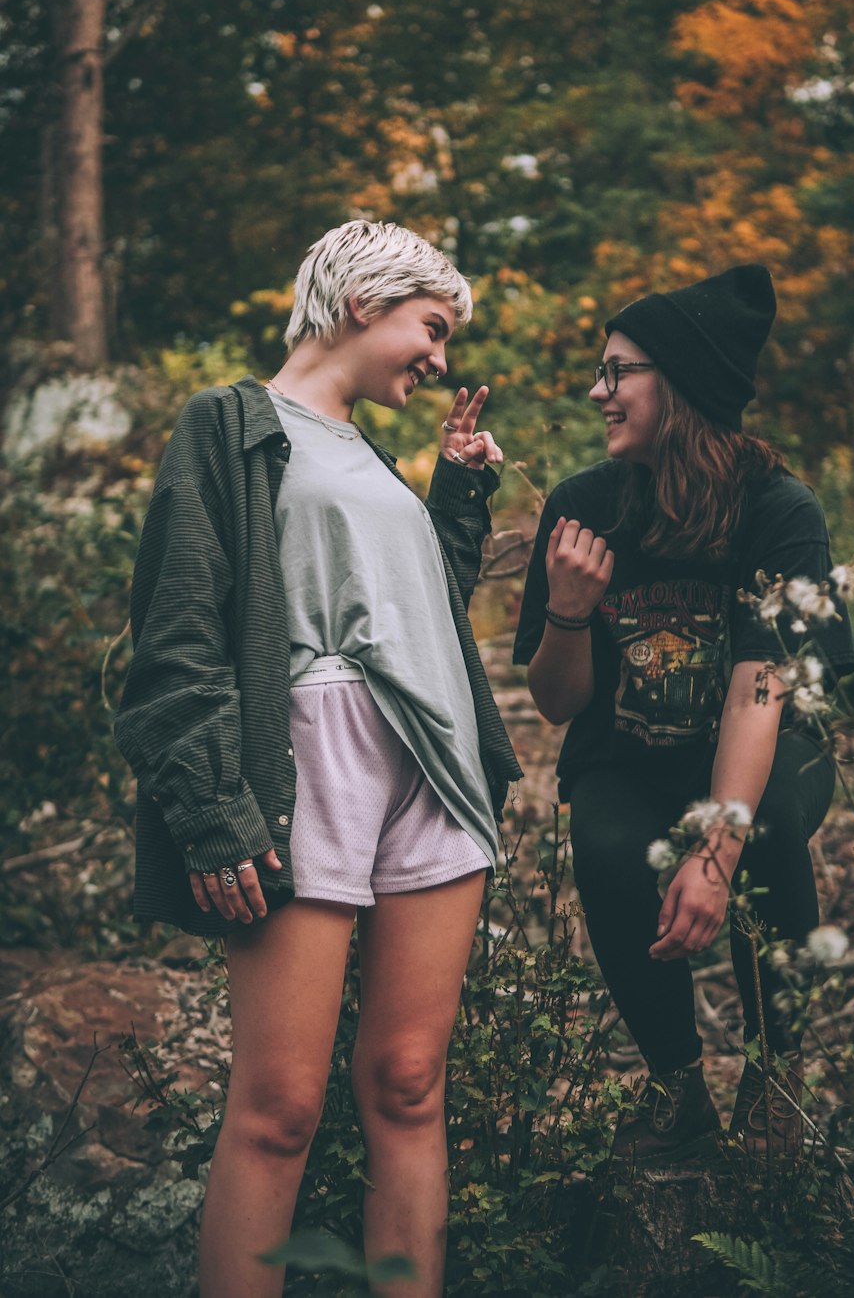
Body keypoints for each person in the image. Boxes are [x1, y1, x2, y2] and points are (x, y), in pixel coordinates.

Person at [115, 220, 522, 1298]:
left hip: (434, 765)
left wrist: (457, 496)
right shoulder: (233, 424)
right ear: (361, 304)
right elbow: (179, 633)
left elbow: (413, 609)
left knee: (407, 1081)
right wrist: (212, 811)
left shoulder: (377, 458)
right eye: (430, 330)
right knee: (280, 1105)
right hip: (309, 765)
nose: (440, 359)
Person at [513, 265, 854, 1165]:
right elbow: (556, 703)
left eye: (618, 370)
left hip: (768, 743)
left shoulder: (779, 512)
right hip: (627, 751)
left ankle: (776, 1077)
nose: (599, 391)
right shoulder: (584, 506)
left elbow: (760, 686)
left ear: (683, 386)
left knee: (769, 820)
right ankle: (676, 1083)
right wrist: (570, 608)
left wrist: (713, 853)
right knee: (607, 841)